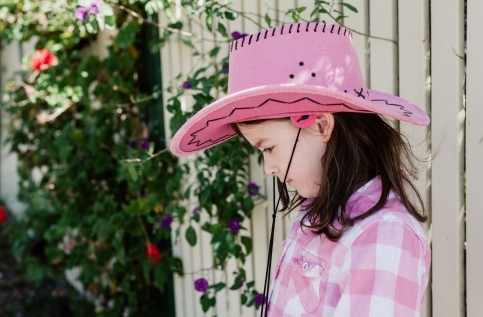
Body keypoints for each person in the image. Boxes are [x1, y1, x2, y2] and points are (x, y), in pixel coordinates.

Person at [170, 22, 431, 316]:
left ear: (320, 125)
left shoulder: (383, 233)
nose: (268, 167)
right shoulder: (319, 211)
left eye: (268, 148)